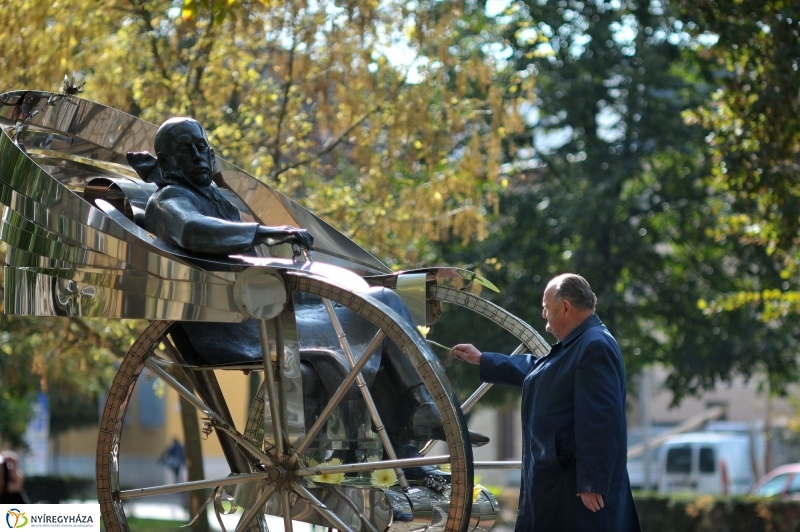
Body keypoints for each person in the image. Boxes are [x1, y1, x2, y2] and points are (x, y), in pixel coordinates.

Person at [126, 117, 447, 454]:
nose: (197, 155)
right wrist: (262, 231)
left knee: (385, 302)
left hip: (262, 305)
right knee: (376, 309)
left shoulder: (214, 197)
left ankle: (419, 414)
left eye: (200, 146)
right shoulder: (167, 201)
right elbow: (193, 230)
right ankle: (399, 428)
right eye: (184, 150)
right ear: (165, 162)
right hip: (235, 322)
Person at [452, 273, 641, 532]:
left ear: (565, 307)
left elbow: (602, 420)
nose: (544, 315)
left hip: (575, 493)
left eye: (546, 307)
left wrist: (592, 482)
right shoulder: (579, 344)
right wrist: (483, 359)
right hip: (559, 485)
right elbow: (540, 370)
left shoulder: (594, 345)